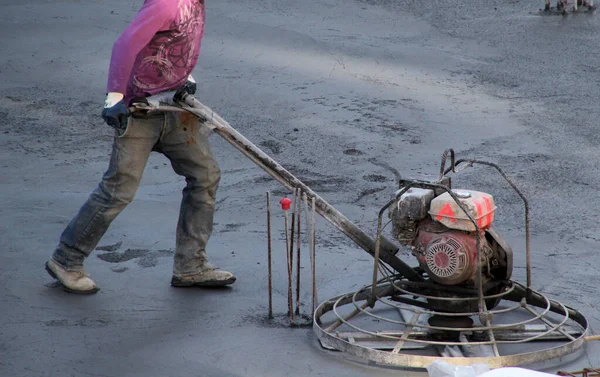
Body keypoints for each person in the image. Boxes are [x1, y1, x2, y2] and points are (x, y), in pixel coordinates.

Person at [45, 0, 235, 294]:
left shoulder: (195, 4)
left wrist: (185, 77)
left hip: (172, 107)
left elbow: (174, 41)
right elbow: (126, 44)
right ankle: (66, 260)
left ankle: (190, 266)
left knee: (205, 175)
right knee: (118, 190)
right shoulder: (167, 3)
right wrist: (114, 97)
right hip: (138, 110)